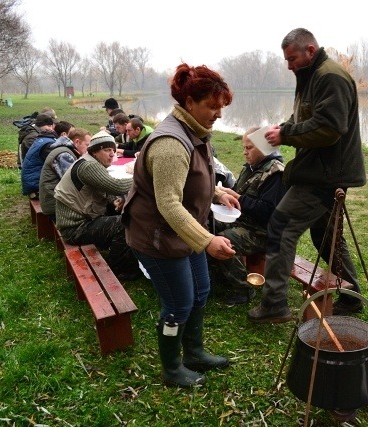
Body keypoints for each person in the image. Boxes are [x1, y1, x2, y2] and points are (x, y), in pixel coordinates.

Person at [122, 63, 238, 388]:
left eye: (221, 107)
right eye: (211, 106)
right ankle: (172, 368)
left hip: (185, 233)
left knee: (201, 291)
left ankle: (195, 353)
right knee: (178, 304)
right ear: (189, 102)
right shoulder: (171, 144)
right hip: (158, 238)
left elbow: (190, 178)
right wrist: (208, 240)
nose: (218, 114)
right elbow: (169, 202)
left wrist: (216, 190)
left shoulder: (195, 131)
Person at [247, 28, 366, 324]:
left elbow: (330, 128)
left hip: (324, 176)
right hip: (319, 171)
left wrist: (286, 134)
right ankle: (351, 300)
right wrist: (282, 128)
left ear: (310, 51)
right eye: (286, 60)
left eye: (292, 58)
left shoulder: (330, 77)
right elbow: (307, 119)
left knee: (281, 226)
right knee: (327, 238)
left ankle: (274, 305)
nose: (288, 65)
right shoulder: (311, 77)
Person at [208, 127, 286, 305]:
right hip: (244, 222)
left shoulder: (275, 174)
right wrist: (226, 197)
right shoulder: (251, 167)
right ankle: (219, 274)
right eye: (244, 147)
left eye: (249, 148)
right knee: (208, 227)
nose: (244, 152)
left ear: (264, 147)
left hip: (264, 232)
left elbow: (268, 212)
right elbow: (240, 194)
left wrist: (239, 198)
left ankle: (243, 289)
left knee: (225, 240)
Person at [54, 130, 140, 280]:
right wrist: (143, 177)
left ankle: (129, 257)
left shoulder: (89, 162)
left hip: (76, 221)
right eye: (107, 150)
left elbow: (103, 190)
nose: (112, 154)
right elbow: (117, 186)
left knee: (121, 214)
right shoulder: (88, 166)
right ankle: (120, 270)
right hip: (75, 229)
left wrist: (114, 200)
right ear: (94, 151)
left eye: (113, 150)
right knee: (125, 222)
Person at [39, 128, 92, 220]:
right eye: (87, 145)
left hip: (54, 199)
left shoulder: (65, 150)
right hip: (55, 206)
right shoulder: (64, 154)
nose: (89, 148)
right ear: (77, 142)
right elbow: (75, 182)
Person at [21, 120, 73, 198]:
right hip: (36, 188)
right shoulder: (49, 145)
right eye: (72, 134)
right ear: (64, 134)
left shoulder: (45, 140)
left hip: (33, 184)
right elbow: (66, 173)